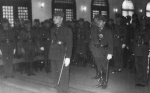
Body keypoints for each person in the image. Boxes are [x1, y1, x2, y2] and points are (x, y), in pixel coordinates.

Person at [49, 11, 72, 93]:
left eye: (56, 17)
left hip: (62, 54)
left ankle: (65, 90)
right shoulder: (52, 29)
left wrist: (68, 57)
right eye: (54, 17)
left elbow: (69, 44)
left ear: (61, 19)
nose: (54, 19)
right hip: (53, 54)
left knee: (64, 74)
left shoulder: (67, 30)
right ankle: (58, 90)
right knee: (55, 74)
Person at [89, 14, 113, 89]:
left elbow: (111, 43)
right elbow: (93, 40)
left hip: (104, 51)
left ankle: (104, 82)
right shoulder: (95, 30)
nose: (98, 23)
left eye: (100, 21)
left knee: (104, 67)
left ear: (104, 22)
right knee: (99, 67)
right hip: (97, 51)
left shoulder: (107, 31)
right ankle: (100, 81)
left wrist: (110, 53)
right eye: (98, 21)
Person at [133, 16, 150, 87]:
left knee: (144, 66)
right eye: (141, 20)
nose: (142, 22)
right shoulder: (137, 30)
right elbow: (134, 40)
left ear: (146, 22)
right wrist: (133, 50)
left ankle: (144, 81)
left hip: (144, 50)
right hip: (137, 50)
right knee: (138, 66)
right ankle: (139, 80)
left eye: (144, 21)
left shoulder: (148, 30)